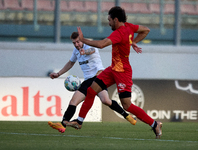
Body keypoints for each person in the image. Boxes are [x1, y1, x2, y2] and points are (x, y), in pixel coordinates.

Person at [67, 6, 163, 139]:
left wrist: (83, 40)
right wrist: (133, 42)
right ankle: (79, 121)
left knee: (127, 105)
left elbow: (101, 44)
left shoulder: (119, 33)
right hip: (113, 69)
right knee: (91, 90)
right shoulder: (130, 26)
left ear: (116, 20)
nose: (108, 23)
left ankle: (154, 124)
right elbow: (146, 30)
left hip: (122, 71)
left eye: (109, 20)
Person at [48, 32, 136, 133]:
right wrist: (58, 74)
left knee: (105, 101)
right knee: (76, 101)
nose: (76, 45)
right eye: (74, 43)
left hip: (99, 77)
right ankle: (63, 125)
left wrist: (84, 52)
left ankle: (127, 116)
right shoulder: (75, 51)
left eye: (78, 42)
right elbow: (70, 63)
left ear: (82, 39)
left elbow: (92, 50)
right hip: (88, 80)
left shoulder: (89, 45)